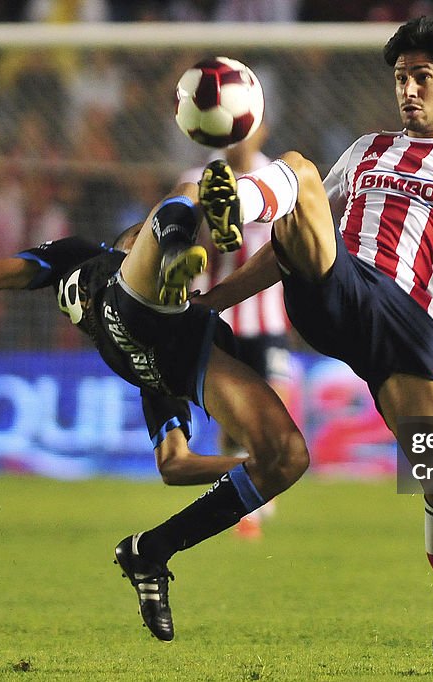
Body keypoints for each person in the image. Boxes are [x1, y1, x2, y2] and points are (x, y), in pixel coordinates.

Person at [196, 15, 433, 676]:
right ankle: (237, 200)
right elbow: (294, 238)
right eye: (401, 78)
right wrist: (218, 298)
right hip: (337, 291)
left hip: (406, 325)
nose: (409, 90)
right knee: (297, 173)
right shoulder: (364, 151)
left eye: (423, 77)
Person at [0, 182, 309, 644]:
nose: (144, 237)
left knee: (285, 458)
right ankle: (180, 256)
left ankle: (150, 550)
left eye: (152, 237)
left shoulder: (158, 356)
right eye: (144, 235)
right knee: (188, 192)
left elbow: (175, 466)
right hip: (125, 314)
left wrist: (246, 467)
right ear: (127, 241)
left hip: (171, 355)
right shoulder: (82, 256)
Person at [180, 124, 291, 538]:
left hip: (269, 318)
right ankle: (247, 500)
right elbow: (186, 230)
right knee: (235, 416)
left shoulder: (276, 179)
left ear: (262, 131)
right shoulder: (199, 179)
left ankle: (259, 486)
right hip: (221, 317)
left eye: (245, 129)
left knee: (275, 405)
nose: (238, 139)